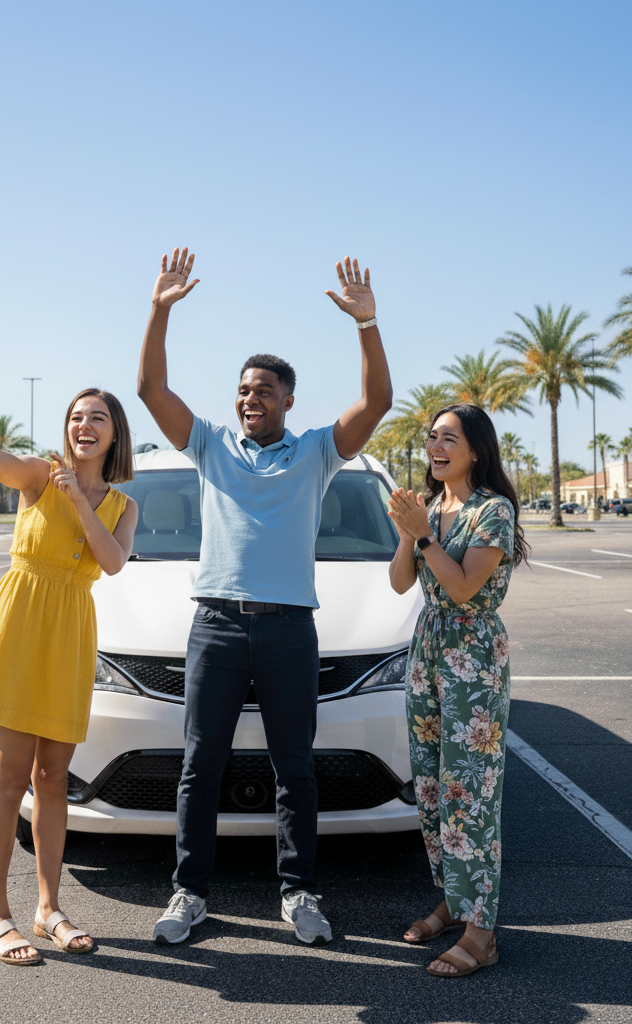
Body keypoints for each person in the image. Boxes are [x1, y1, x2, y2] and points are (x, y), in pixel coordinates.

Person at [137, 246, 393, 946]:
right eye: (243, 390)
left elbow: (376, 403)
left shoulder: (315, 452)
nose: (250, 399)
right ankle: (189, 892)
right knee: (201, 765)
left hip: (288, 632)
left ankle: (299, 892)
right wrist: (159, 311)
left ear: (287, 400)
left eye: (263, 391)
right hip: (217, 626)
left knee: (294, 768)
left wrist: (366, 325)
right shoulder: (212, 446)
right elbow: (150, 391)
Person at [0, 377, 138, 965]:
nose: (85, 425)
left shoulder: (123, 506)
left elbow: (111, 563)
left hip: (70, 634)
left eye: (98, 418)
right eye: (78, 416)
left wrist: (81, 501)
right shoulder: (37, 473)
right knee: (9, 781)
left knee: (54, 779)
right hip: (20, 627)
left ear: (114, 434)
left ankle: (49, 907)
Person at [386, 403, 528, 978]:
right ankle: (453, 900)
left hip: (472, 660)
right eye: (432, 437)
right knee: (433, 789)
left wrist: (424, 539)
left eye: (450, 438)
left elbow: (467, 588)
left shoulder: (492, 510)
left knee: (471, 794)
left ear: (475, 448)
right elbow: (401, 583)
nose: (436, 446)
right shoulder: (430, 509)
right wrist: (409, 534)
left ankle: (481, 931)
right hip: (428, 654)